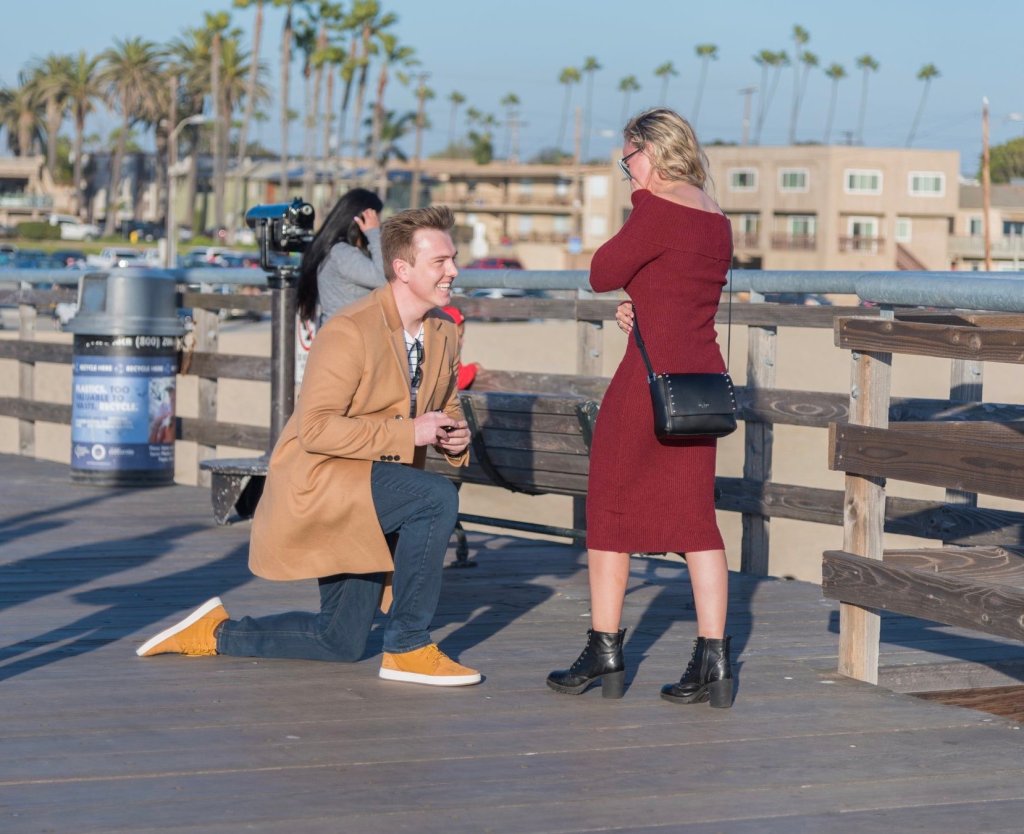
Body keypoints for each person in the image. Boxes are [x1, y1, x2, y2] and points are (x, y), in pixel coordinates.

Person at [136, 205, 482, 688]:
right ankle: (408, 645)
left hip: (376, 490)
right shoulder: (350, 329)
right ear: (402, 269)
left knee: (339, 641)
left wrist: (455, 437)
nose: (453, 270)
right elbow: (316, 429)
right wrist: (410, 433)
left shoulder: (442, 331)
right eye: (440, 261)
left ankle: (214, 632)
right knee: (435, 497)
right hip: (324, 482)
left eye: (454, 259)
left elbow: (445, 406)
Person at [547, 108, 735, 707]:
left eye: (628, 158)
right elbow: (680, 291)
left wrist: (641, 200)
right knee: (697, 521)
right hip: (700, 384)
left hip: (647, 382)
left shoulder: (656, 208)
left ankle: (604, 651)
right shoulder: (716, 217)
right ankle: (714, 659)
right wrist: (642, 307)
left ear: (650, 153)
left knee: (609, 512)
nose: (626, 170)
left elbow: (601, 272)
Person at [296, 187, 385, 324]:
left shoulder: (338, 250)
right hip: (346, 334)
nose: (379, 224)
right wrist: (373, 233)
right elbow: (383, 278)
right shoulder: (342, 253)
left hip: (346, 331)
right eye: (375, 219)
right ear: (360, 219)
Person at [440, 304, 482, 389]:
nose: (463, 341)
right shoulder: (446, 354)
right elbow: (459, 380)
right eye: (460, 336)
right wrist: (474, 368)